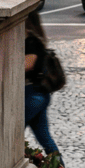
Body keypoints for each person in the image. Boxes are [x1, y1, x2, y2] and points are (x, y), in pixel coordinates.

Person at [24, 10, 60, 159]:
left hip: (32, 95)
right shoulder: (37, 41)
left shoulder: (31, 42)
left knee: (11, 134)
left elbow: (28, 64)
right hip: (39, 95)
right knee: (45, 138)